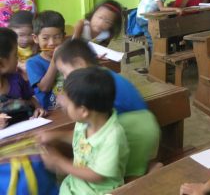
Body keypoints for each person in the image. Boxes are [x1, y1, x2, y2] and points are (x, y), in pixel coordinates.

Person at [54, 39, 160, 179]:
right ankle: (149, 170)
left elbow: (93, 128)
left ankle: (150, 175)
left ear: (80, 64)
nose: (65, 78)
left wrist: (68, 104)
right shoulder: (100, 77)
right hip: (142, 122)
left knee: (127, 179)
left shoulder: (94, 88)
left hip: (137, 129)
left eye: (64, 72)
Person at [38, 67, 129, 194]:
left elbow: (96, 175)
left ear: (83, 111)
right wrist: (56, 136)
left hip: (99, 191)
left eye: (67, 103)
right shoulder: (86, 122)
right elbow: (80, 140)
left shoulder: (112, 136)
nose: (62, 104)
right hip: (74, 185)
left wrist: (59, 162)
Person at [0, 27, 46, 128]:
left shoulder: (16, 79)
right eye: (15, 55)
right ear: (1, 63)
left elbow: (30, 99)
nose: (18, 59)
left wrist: (38, 108)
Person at [26, 11, 65, 110]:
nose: (51, 43)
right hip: (49, 113)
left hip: (70, 109)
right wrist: (55, 59)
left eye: (57, 37)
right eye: (45, 38)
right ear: (35, 38)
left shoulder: (68, 58)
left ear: (63, 37)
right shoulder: (33, 63)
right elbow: (44, 88)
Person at [8, 10, 37, 79]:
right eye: (21, 35)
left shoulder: (37, 44)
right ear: (10, 31)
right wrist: (20, 65)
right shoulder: (9, 46)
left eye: (30, 34)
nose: (26, 39)